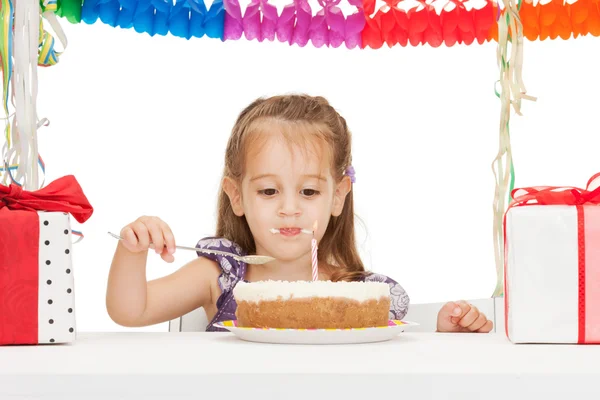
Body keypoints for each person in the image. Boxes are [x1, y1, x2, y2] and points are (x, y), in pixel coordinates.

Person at [106, 94, 493, 334]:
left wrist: (443, 331)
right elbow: (130, 311)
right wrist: (133, 250)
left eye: (308, 191)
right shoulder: (219, 277)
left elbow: (397, 353)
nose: (289, 208)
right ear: (236, 196)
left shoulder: (358, 293)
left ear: (338, 195)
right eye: (268, 191)